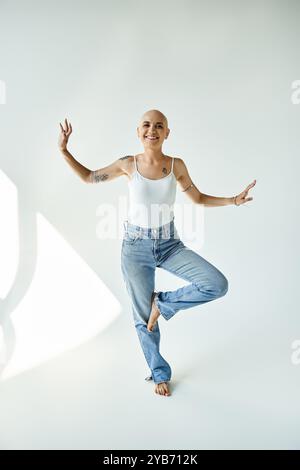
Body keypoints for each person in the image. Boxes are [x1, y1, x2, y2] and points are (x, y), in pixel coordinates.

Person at [58, 110, 256, 397]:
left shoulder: (176, 165)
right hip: (135, 248)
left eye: (159, 126)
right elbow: (89, 177)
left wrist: (232, 200)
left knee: (216, 284)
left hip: (169, 244)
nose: (152, 129)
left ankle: (162, 305)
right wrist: (64, 151)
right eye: (147, 125)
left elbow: (198, 198)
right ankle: (159, 373)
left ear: (167, 133)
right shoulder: (128, 164)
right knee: (141, 318)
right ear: (138, 131)